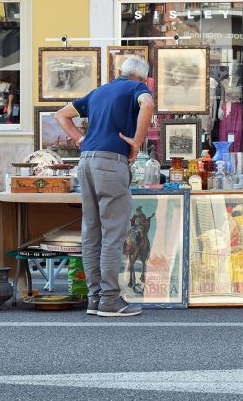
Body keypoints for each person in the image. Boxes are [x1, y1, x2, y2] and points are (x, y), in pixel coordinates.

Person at [55, 57, 154, 317]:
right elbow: (148, 104)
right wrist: (136, 142)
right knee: (113, 233)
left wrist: (79, 138)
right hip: (111, 163)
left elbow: (61, 115)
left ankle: (95, 297)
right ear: (143, 79)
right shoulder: (137, 88)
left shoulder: (98, 92)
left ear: (120, 72)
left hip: (85, 162)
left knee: (92, 232)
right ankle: (110, 299)